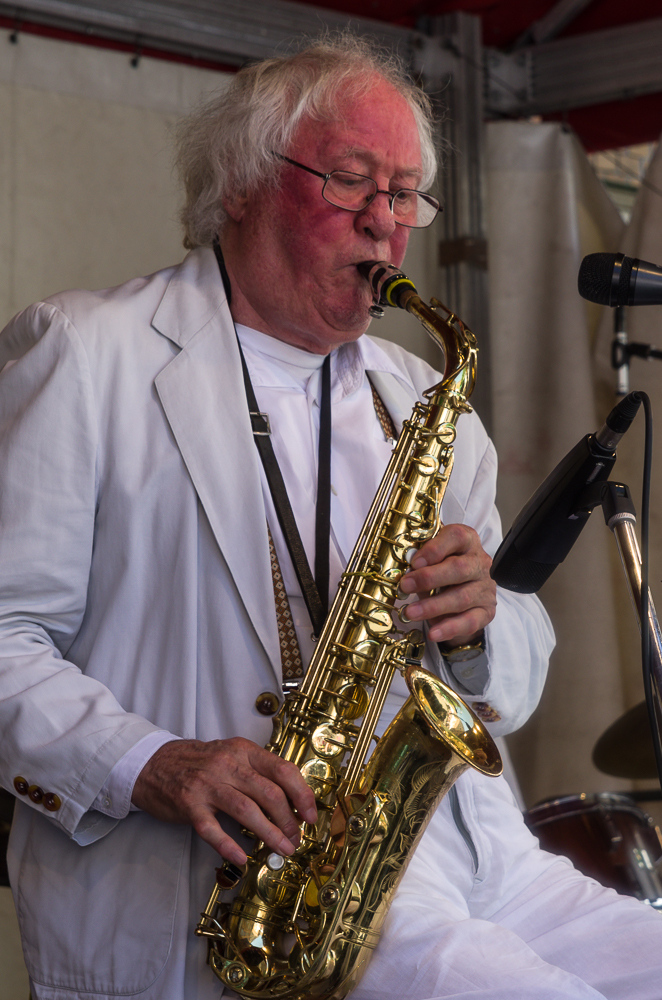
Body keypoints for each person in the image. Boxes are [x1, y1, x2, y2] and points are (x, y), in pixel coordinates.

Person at [0, 33, 660, 1000]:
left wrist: (483, 622)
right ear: (240, 184)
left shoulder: (425, 395)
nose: (387, 226)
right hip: (278, 898)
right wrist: (152, 761)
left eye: (404, 195)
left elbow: (515, 672)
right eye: (353, 183)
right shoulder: (87, 355)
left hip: (483, 860)